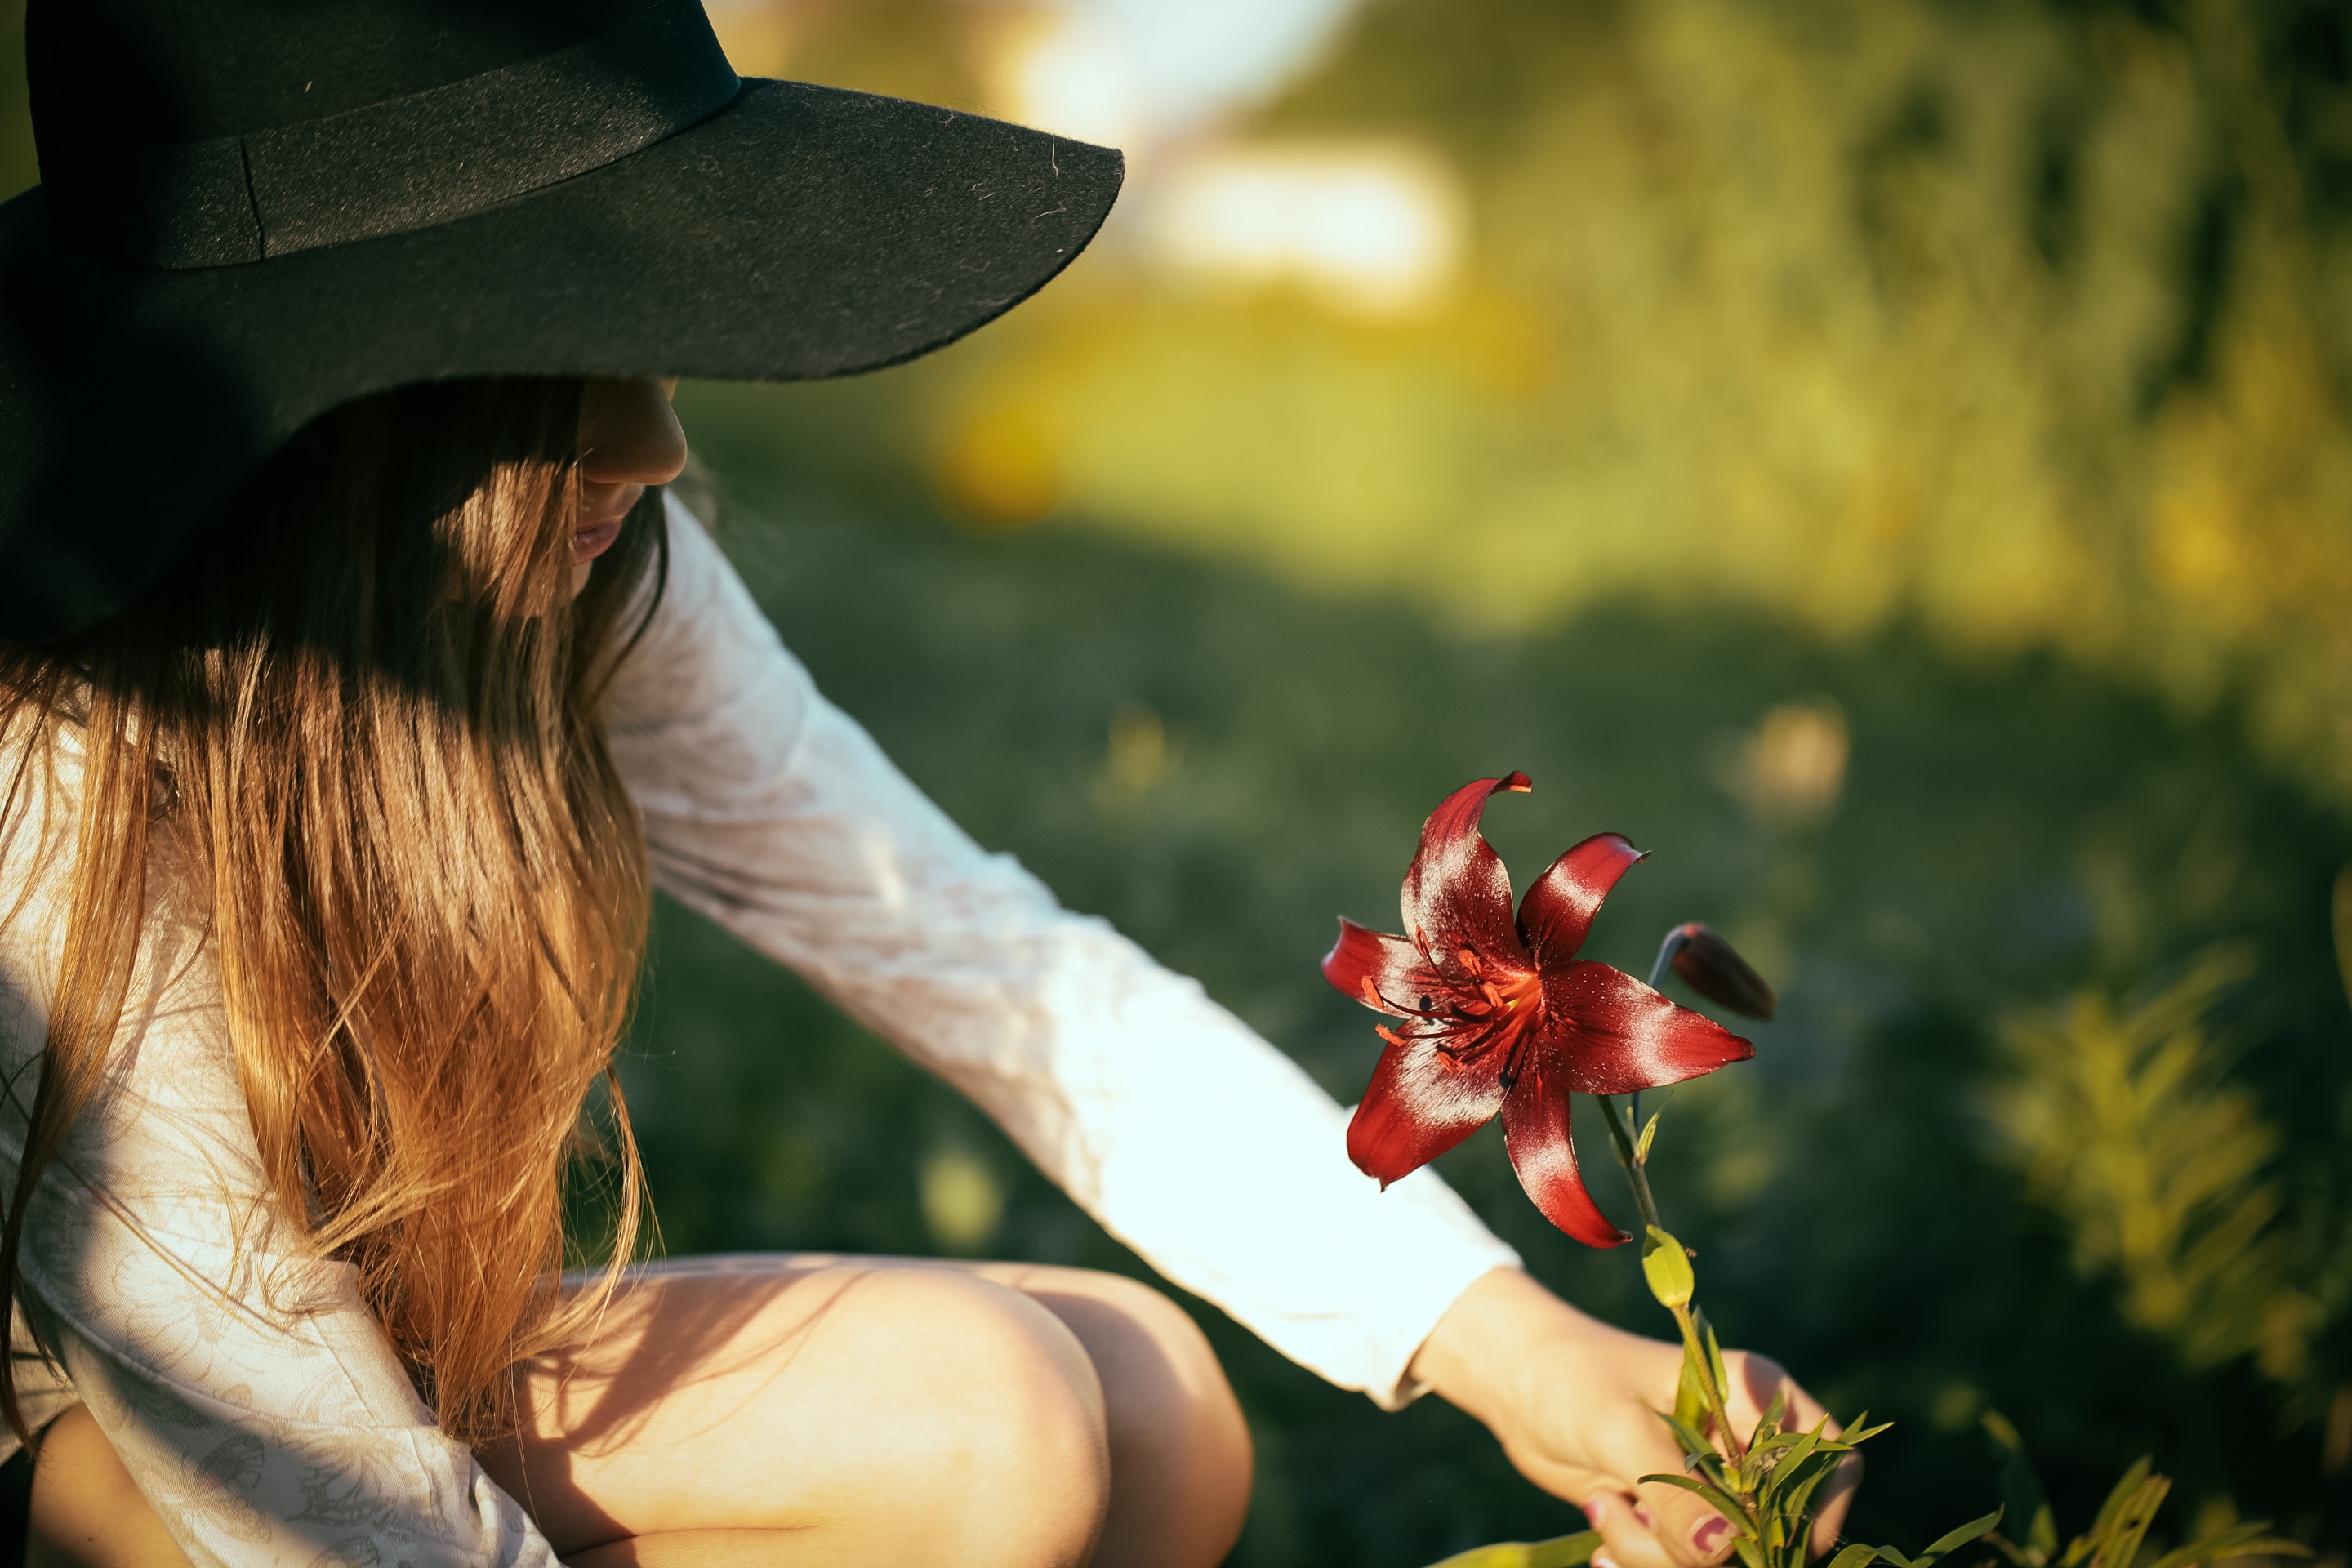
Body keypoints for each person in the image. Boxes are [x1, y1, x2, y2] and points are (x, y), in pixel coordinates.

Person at [0, 4, 1860, 1567]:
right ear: (345, 409)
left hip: (361, 1374)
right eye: (550, 359)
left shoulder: (585, 583)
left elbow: (989, 965)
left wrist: (1517, 1349)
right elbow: (265, 1414)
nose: (656, 443)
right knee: (988, 1424)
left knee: (1153, 1407)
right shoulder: (49, 751)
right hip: (113, 1444)